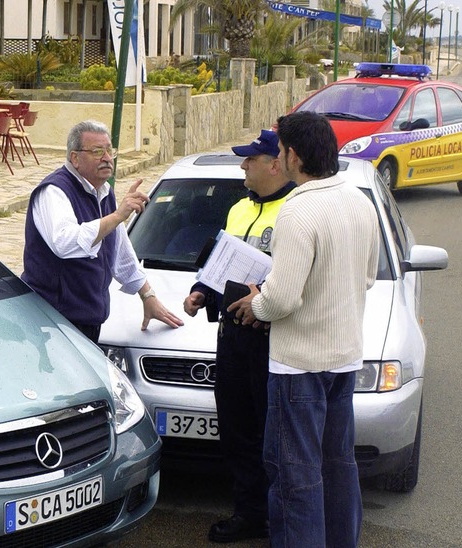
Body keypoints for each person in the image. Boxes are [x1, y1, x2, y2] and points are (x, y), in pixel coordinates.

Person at [229, 112, 380, 548]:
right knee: (337, 467)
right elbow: (367, 276)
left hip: (298, 368)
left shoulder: (298, 209)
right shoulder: (359, 201)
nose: (278, 157)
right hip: (345, 358)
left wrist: (254, 302)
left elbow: (281, 299)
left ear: (293, 155)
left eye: (280, 150)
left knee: (294, 476)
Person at [183, 130, 296, 543]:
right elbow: (220, 262)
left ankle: (280, 517)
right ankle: (249, 513)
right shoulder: (236, 209)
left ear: (275, 164)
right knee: (236, 430)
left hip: (271, 340)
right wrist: (201, 291)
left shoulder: (295, 211)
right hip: (231, 338)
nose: (243, 166)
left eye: (251, 159)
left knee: (273, 434)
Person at [22, 120, 183, 343]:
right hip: (53, 323)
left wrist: (148, 296)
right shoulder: (54, 191)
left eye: (109, 150)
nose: (107, 158)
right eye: (97, 151)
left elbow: (119, 250)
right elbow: (64, 243)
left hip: (88, 320)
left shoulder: (104, 191)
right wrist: (117, 216)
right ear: (75, 158)